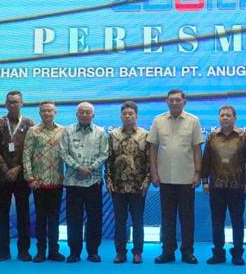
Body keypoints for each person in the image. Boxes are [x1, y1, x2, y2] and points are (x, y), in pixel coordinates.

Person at [148, 89, 204, 264]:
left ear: (184, 102)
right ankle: (168, 252)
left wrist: (198, 173)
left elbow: (197, 149)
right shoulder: (158, 120)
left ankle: (187, 252)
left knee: (187, 218)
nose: (174, 103)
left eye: (178, 100)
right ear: (167, 102)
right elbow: (153, 148)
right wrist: (153, 172)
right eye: (171, 100)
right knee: (167, 218)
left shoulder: (193, 121)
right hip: (165, 178)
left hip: (187, 178)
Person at [201, 105, 246, 266]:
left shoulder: (244, 136)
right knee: (217, 222)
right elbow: (206, 160)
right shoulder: (211, 137)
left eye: (228, 115)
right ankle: (218, 253)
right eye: (222, 115)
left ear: (235, 118)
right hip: (216, 186)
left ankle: (237, 254)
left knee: (237, 221)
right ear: (218, 118)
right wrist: (204, 181)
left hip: (237, 186)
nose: (225, 117)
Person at [0, 90, 35, 262]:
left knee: (23, 214)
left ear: (22, 103)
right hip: (1, 177)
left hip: (22, 176)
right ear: (6, 104)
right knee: (2, 215)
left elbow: (32, 150)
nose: (13, 104)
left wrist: (18, 169)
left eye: (16, 102)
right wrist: (5, 169)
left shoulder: (29, 124)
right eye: (10, 102)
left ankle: (24, 251)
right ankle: (3, 251)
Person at [61, 102, 108, 263]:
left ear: (93, 115)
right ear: (76, 114)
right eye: (81, 112)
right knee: (74, 219)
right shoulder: (68, 131)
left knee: (95, 218)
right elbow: (64, 153)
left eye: (88, 112)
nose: (84, 115)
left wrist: (89, 169)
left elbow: (104, 154)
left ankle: (93, 251)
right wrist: (78, 168)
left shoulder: (100, 132)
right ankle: (74, 252)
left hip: (94, 181)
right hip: (73, 181)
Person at [106, 101, 150, 264]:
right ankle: (120, 252)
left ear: (136, 116)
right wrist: (108, 180)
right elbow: (109, 160)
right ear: (121, 117)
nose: (128, 116)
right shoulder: (113, 135)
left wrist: (147, 181)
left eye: (131, 114)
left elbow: (149, 160)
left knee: (138, 220)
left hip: (138, 185)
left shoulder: (145, 135)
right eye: (125, 114)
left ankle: (137, 252)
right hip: (118, 185)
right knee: (119, 220)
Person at [23, 100, 66, 262]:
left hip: (57, 182)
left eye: (50, 110)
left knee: (54, 220)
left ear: (55, 113)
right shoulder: (33, 131)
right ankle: (40, 251)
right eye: (44, 111)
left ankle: (54, 250)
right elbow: (26, 155)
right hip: (38, 184)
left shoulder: (63, 131)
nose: (47, 113)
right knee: (40, 220)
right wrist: (30, 178)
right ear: (40, 113)